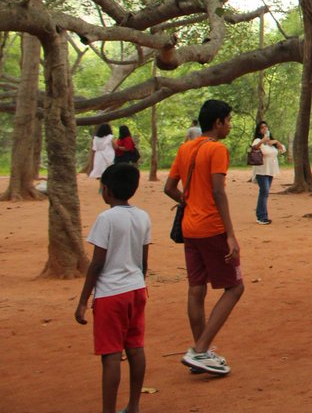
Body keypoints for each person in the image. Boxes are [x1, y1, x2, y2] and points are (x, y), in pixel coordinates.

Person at [164, 100, 243, 375]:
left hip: (189, 229)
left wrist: (187, 203)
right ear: (218, 122)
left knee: (196, 288)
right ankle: (200, 350)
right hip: (211, 228)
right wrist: (230, 235)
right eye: (228, 120)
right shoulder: (217, 149)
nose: (230, 125)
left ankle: (202, 353)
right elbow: (219, 191)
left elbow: (169, 187)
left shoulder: (186, 148)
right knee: (235, 287)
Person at [75, 163, 152, 413]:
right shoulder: (143, 216)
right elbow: (143, 260)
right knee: (136, 348)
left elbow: (97, 264)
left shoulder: (106, 219)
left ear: (106, 190)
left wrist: (83, 300)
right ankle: (134, 405)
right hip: (136, 289)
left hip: (111, 294)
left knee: (110, 355)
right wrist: (138, 281)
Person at [250, 121, 285, 224]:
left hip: (270, 170)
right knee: (264, 192)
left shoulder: (271, 142)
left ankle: (262, 215)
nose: (264, 129)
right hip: (261, 170)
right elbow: (254, 147)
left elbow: (283, 149)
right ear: (259, 130)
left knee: (265, 193)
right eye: (261, 128)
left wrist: (276, 142)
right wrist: (262, 141)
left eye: (265, 127)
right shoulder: (258, 140)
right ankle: (261, 217)